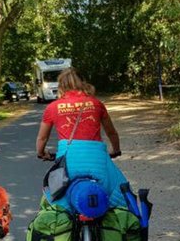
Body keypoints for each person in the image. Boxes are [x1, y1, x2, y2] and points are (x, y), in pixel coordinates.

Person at [35, 67, 126, 208]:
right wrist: (116, 150)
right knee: (122, 193)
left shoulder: (53, 107)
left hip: (68, 164)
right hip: (97, 160)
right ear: (83, 83)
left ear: (61, 85)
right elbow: (111, 133)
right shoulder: (96, 104)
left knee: (53, 199)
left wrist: (41, 153)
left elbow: (42, 139)